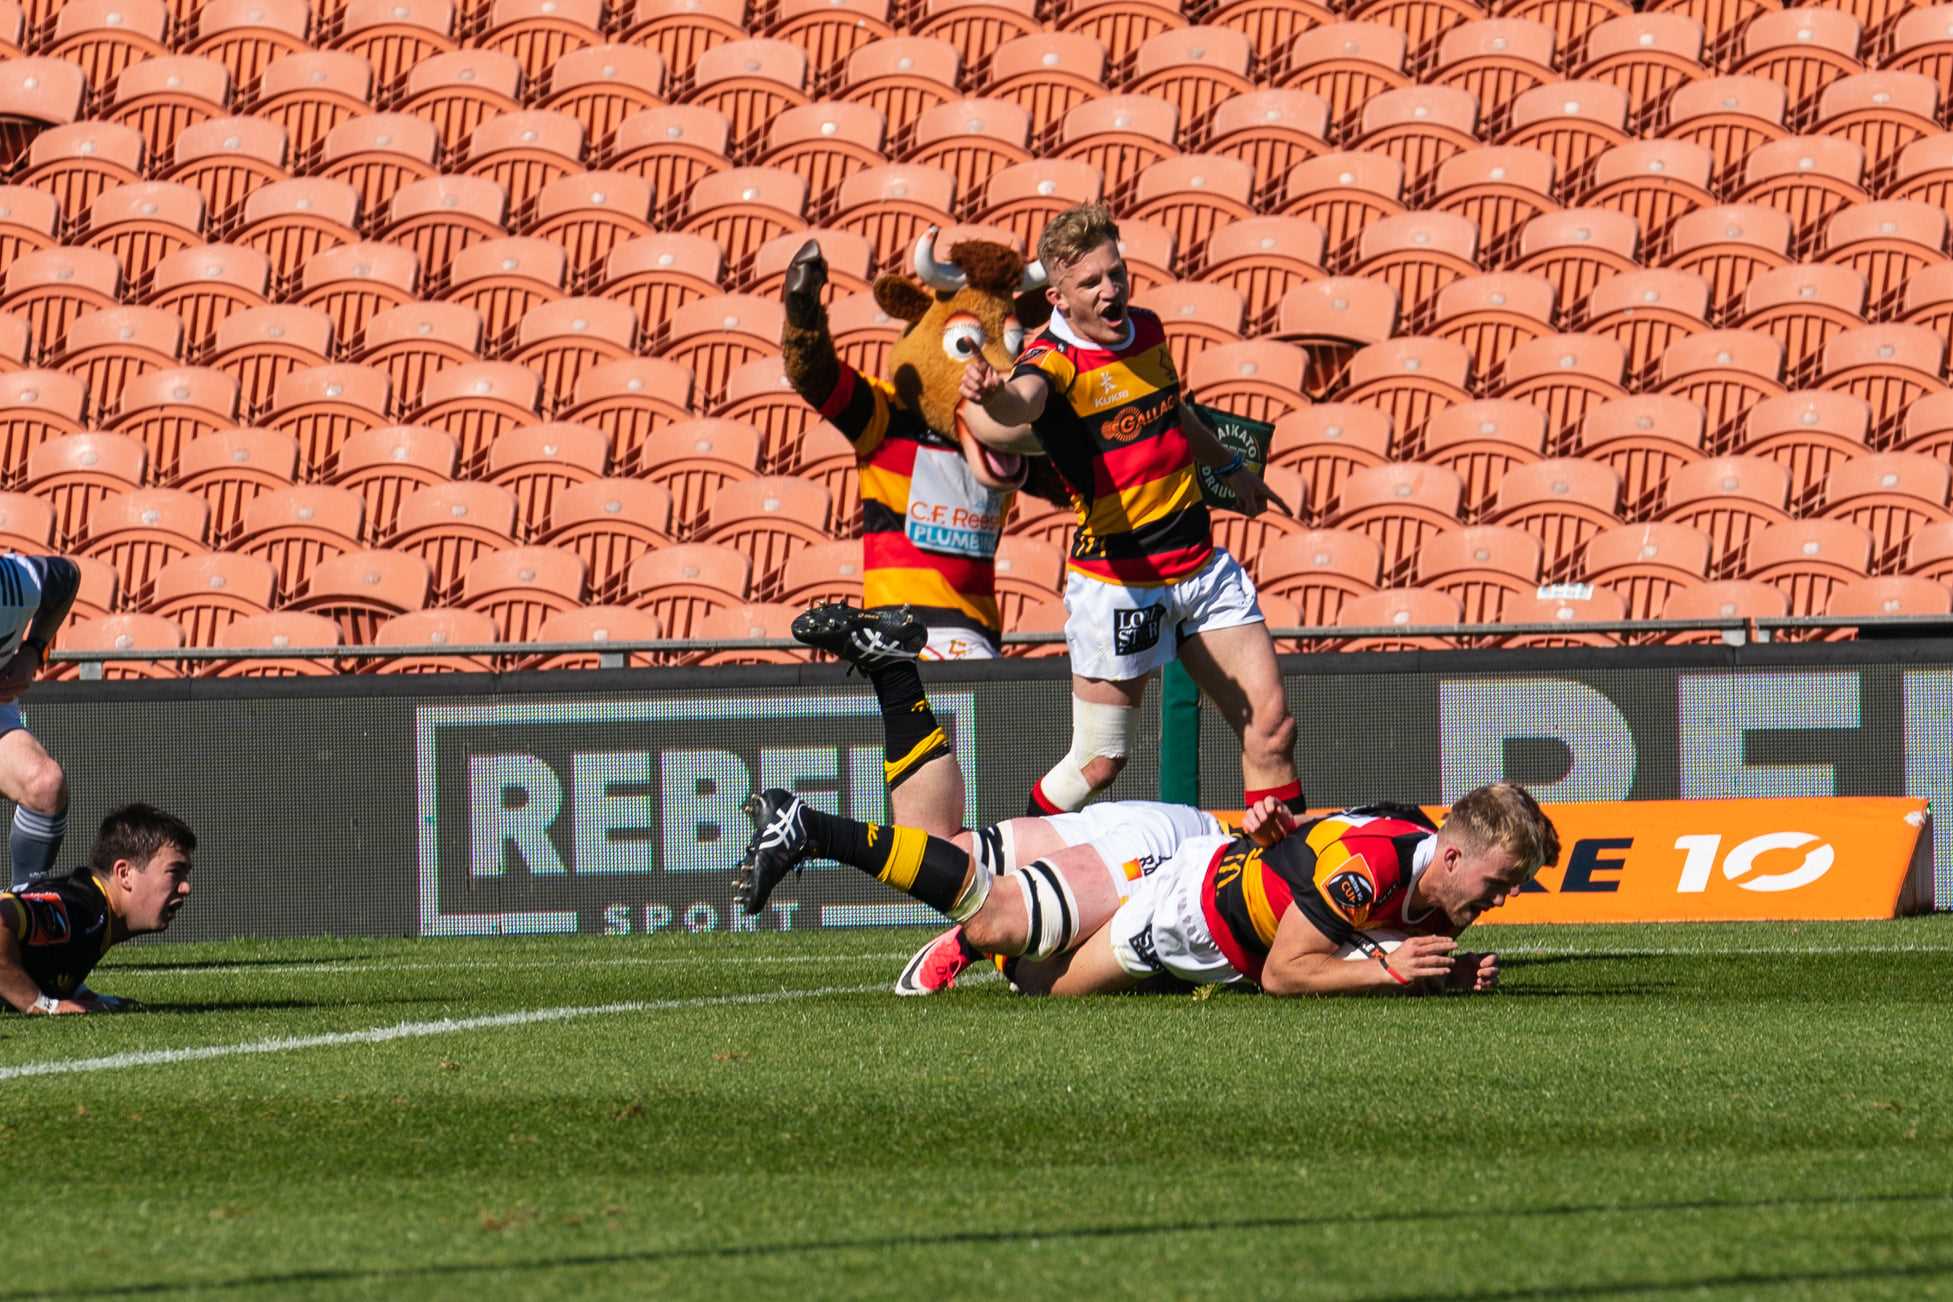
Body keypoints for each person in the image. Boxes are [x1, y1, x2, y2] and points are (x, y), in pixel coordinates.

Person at [957, 202, 1305, 820]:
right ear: (1059, 298)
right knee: (1098, 763)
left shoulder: (1147, 329)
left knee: (1272, 730)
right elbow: (1022, 402)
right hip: (1120, 583)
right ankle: (1014, 855)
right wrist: (993, 394)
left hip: (1199, 568)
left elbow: (1173, 412)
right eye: (1091, 282)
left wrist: (1229, 467)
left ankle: (1284, 876)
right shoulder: (1051, 361)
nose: (1110, 290)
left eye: (1115, 273)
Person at [753, 605, 1227, 995]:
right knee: (1008, 931)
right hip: (1186, 863)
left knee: (937, 849)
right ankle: (810, 830)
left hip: (1177, 838)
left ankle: (894, 673)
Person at [738, 779, 1559, 998]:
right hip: (1175, 898)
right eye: (1500, 882)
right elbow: (1287, 973)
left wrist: (1432, 969)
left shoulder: (1425, 859)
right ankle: (807, 827)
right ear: (1454, 856)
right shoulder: (1372, 868)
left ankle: (892, 672)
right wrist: (1392, 973)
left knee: (963, 860)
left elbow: (1321, 844)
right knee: (1010, 941)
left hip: (1199, 847)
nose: (1501, 900)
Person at [0, 802, 196, 1015]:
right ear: (124, 874)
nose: (186, 887)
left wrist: (79, 994)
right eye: (174, 871)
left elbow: (46, 956)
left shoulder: (96, 915)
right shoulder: (81, 908)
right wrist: (42, 1004)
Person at [0, 554, 82, 882]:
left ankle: (26, 904)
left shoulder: (16, 582)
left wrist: (33, 650)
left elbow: (67, 576)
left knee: (45, 785)